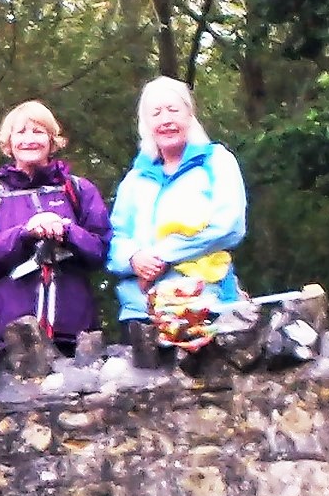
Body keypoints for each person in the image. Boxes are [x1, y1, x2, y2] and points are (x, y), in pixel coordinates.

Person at [106, 77, 247, 335]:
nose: (166, 120)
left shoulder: (216, 160)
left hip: (205, 305)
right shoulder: (135, 178)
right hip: (141, 312)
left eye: (173, 110)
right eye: (156, 113)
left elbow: (230, 226)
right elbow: (115, 238)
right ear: (145, 124)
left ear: (190, 115)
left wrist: (161, 255)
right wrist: (134, 259)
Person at [0, 101, 111, 353]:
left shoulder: (78, 190)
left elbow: (101, 249)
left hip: (73, 330)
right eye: (20, 132)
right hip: (9, 330)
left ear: (52, 140)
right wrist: (24, 233)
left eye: (38, 131)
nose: (29, 140)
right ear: (8, 142)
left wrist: (66, 231)